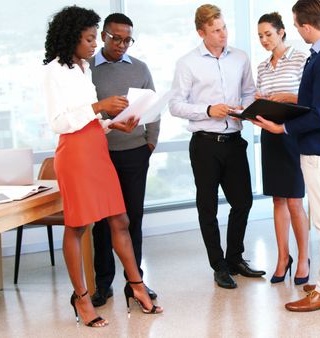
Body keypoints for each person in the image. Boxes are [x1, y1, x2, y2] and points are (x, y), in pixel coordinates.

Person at [42, 6, 162, 327]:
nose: (94, 44)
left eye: (95, 38)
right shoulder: (54, 71)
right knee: (78, 226)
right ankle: (82, 298)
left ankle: (136, 286)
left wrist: (111, 124)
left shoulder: (82, 68)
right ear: (72, 38)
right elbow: (59, 122)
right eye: (90, 38)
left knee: (120, 219)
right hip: (76, 155)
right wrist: (100, 106)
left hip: (97, 148)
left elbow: (89, 119)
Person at [250, 0, 320, 312]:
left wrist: (283, 128)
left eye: (295, 25)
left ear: (307, 26)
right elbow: (317, 105)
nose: (295, 30)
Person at [169, 4, 265, 289]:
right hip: (205, 145)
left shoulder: (240, 57)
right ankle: (218, 264)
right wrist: (209, 110)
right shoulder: (187, 63)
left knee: (243, 202)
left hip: (234, 141)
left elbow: (249, 92)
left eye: (224, 28)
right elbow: (175, 105)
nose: (223, 35)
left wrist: (244, 110)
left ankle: (235, 258)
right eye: (216, 31)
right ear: (201, 32)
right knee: (208, 208)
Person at [88, 13, 160, 307]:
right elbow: (82, 112)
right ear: (103, 35)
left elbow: (154, 106)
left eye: (127, 39)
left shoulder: (140, 68)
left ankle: (135, 283)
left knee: (133, 219)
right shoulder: (86, 68)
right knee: (102, 223)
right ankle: (102, 285)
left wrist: (150, 142)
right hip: (99, 154)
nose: (121, 44)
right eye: (115, 38)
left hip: (134, 152)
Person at [255, 12, 310, 285]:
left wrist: (288, 97)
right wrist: (257, 105)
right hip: (270, 135)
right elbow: (262, 97)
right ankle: (282, 258)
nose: (265, 40)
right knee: (277, 200)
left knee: (295, 201)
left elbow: (309, 99)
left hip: (292, 135)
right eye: (261, 36)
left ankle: (303, 258)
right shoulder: (262, 67)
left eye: (268, 34)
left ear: (282, 32)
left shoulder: (300, 58)